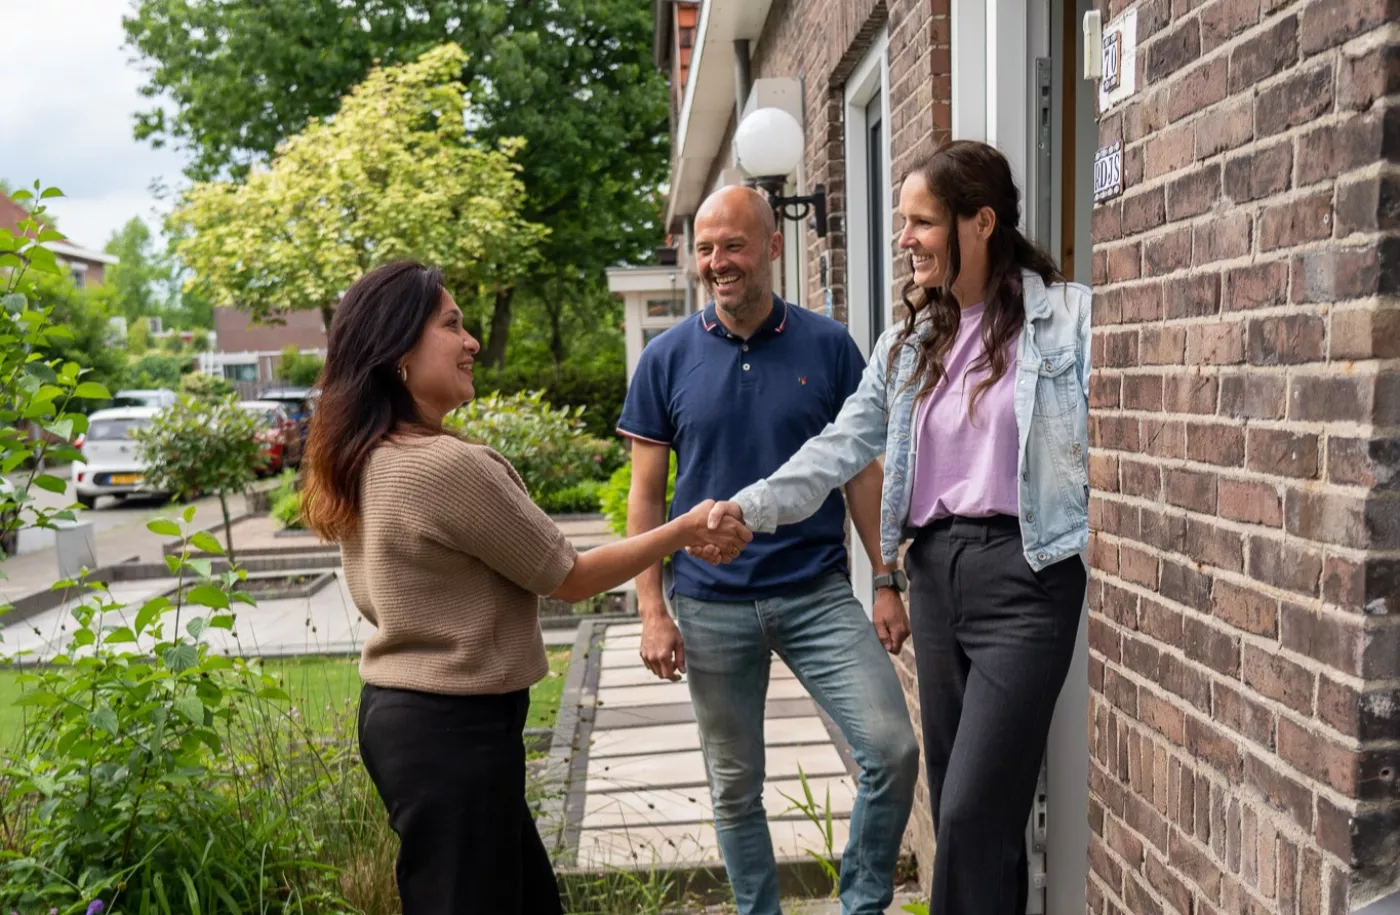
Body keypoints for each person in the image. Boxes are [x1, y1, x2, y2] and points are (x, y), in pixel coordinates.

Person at [707, 141, 1093, 915]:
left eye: (921, 221)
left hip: (1029, 576)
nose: (905, 238)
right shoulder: (909, 343)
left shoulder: (1068, 320)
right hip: (938, 576)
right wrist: (751, 505)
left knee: (969, 810)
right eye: (903, 222)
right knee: (970, 812)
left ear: (979, 222)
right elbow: (839, 447)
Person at [299, 261, 752, 915]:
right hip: (453, 732)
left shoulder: (364, 453)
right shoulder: (445, 466)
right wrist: (682, 528)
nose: (472, 340)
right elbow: (569, 577)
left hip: (409, 720)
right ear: (399, 349)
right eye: (451, 324)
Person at [620, 186, 919, 915]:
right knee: (734, 785)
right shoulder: (665, 359)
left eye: (734, 245)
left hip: (814, 593)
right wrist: (651, 609)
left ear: (772, 247)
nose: (718, 263)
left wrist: (884, 579)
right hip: (708, 603)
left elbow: (858, 469)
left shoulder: (828, 346)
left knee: (892, 750)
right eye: (705, 249)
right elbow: (646, 497)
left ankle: (863, 903)